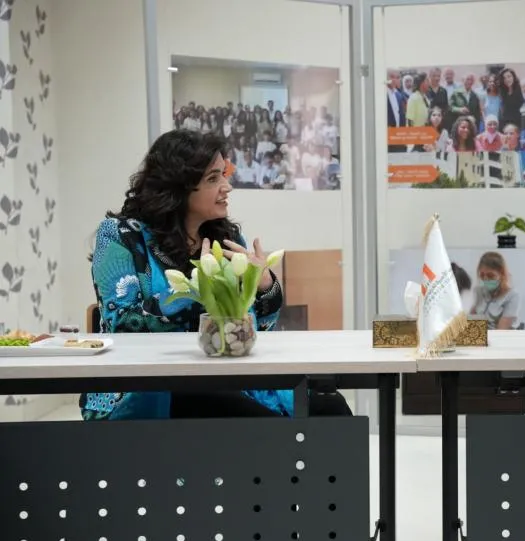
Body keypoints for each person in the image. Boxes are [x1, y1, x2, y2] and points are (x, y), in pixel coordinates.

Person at [83, 129, 352, 420]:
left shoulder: (226, 237)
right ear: (178, 188)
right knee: (261, 422)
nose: (227, 187)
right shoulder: (121, 237)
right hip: (152, 386)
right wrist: (194, 288)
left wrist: (263, 286)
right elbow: (124, 326)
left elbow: (255, 329)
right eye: (213, 179)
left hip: (228, 376)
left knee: (332, 407)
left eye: (224, 174)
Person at [471, 252, 521, 330]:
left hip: (501, 336)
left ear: (502, 274)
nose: (485, 279)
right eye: (482, 275)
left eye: (490, 275)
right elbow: (471, 324)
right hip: (480, 335)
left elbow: (501, 330)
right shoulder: (478, 291)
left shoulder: (513, 295)